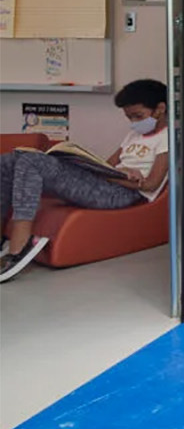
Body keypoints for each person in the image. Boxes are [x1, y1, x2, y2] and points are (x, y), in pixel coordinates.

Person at [0, 78, 171, 282]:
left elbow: (151, 184)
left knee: (31, 161)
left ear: (160, 109)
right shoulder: (133, 135)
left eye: (138, 116)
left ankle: (20, 242)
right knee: (11, 159)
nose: (134, 122)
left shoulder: (167, 138)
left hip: (124, 194)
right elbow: (106, 165)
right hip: (107, 183)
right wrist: (87, 164)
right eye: (129, 117)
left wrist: (121, 176)